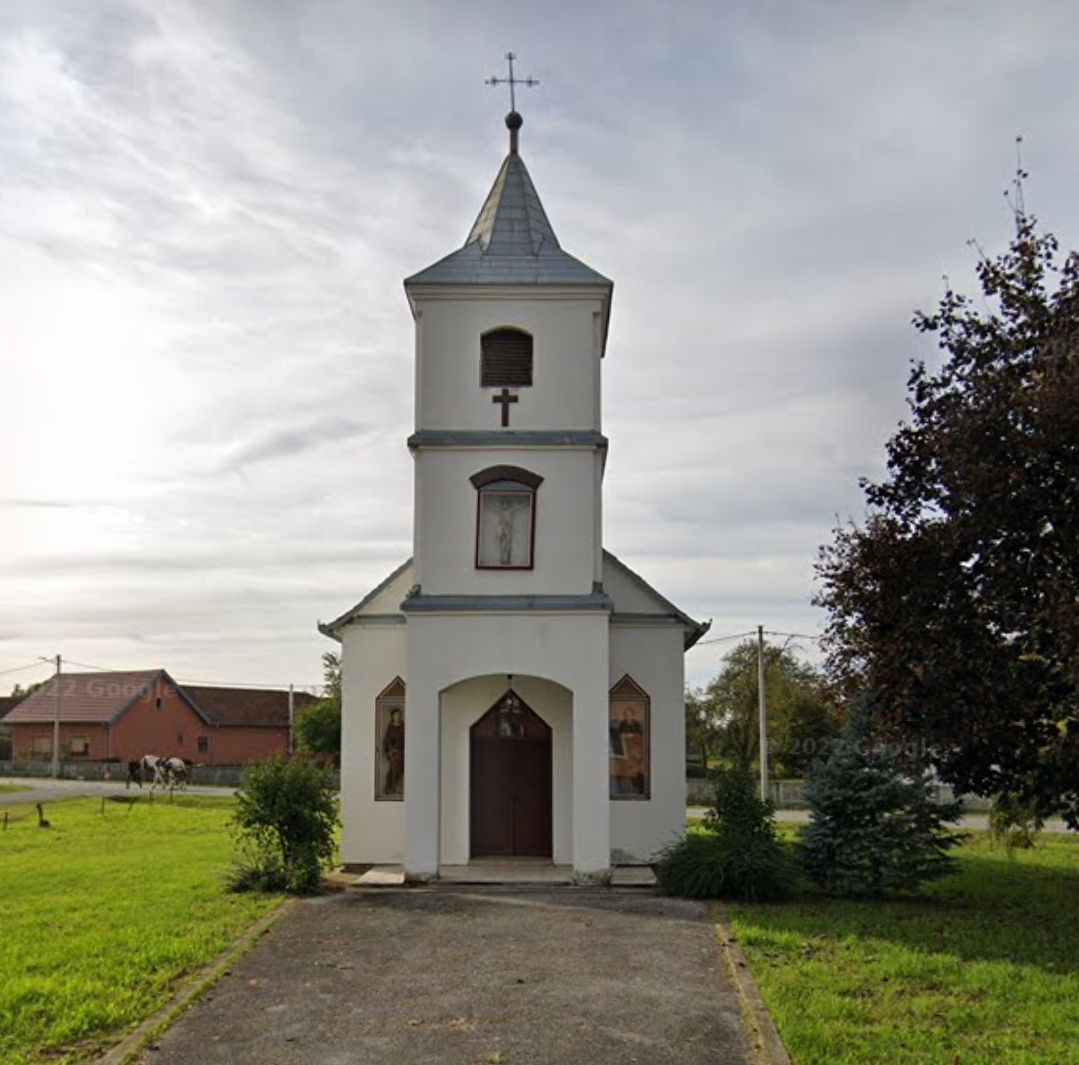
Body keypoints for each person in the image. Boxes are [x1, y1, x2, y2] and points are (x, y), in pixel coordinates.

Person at [382, 707, 405, 797]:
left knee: (401, 771)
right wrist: (389, 751)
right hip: (394, 753)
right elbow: (387, 740)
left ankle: (398, 788)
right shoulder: (390, 727)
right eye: (395, 715)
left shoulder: (403, 726)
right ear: (392, 716)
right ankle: (390, 788)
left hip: (403, 752)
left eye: (399, 715)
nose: (397, 716)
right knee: (394, 770)